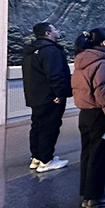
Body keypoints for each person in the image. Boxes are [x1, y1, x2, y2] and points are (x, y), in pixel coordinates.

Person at [71, 28, 105, 208]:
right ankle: (94, 197)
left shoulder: (82, 59)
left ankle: (87, 192)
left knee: (88, 153)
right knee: (99, 156)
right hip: (100, 114)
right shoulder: (102, 63)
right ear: (104, 43)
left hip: (85, 113)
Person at [22, 22, 72, 173]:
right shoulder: (50, 51)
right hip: (50, 97)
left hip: (35, 96)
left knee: (37, 126)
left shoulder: (31, 50)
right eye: (54, 29)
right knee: (49, 127)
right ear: (47, 33)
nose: (57, 31)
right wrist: (59, 93)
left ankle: (36, 157)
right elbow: (55, 74)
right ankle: (46, 160)